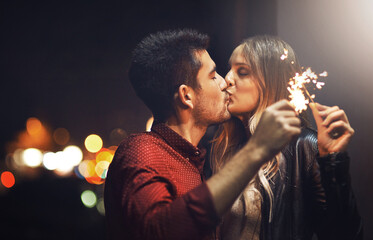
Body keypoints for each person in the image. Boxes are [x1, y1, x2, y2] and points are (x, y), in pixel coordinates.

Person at [104, 29, 303, 240]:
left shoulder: (196, 159)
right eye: (213, 76)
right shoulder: (141, 150)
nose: (224, 82)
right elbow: (158, 231)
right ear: (186, 96)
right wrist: (256, 150)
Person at [211, 35, 363, 240]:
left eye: (243, 71)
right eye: (230, 68)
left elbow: (344, 235)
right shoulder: (223, 148)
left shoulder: (304, 146)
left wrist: (333, 161)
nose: (227, 78)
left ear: (271, 83)